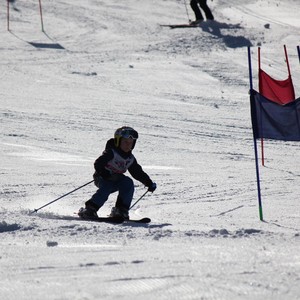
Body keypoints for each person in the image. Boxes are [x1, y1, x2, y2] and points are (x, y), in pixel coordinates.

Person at [78, 126, 157, 220]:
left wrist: (148, 182)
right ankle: (91, 209)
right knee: (107, 186)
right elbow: (98, 163)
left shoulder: (130, 159)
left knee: (128, 182)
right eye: (125, 142)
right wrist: (104, 173)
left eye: (131, 143)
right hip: (103, 177)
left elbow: (137, 172)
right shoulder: (111, 152)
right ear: (118, 141)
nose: (128, 145)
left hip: (117, 179)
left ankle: (121, 210)